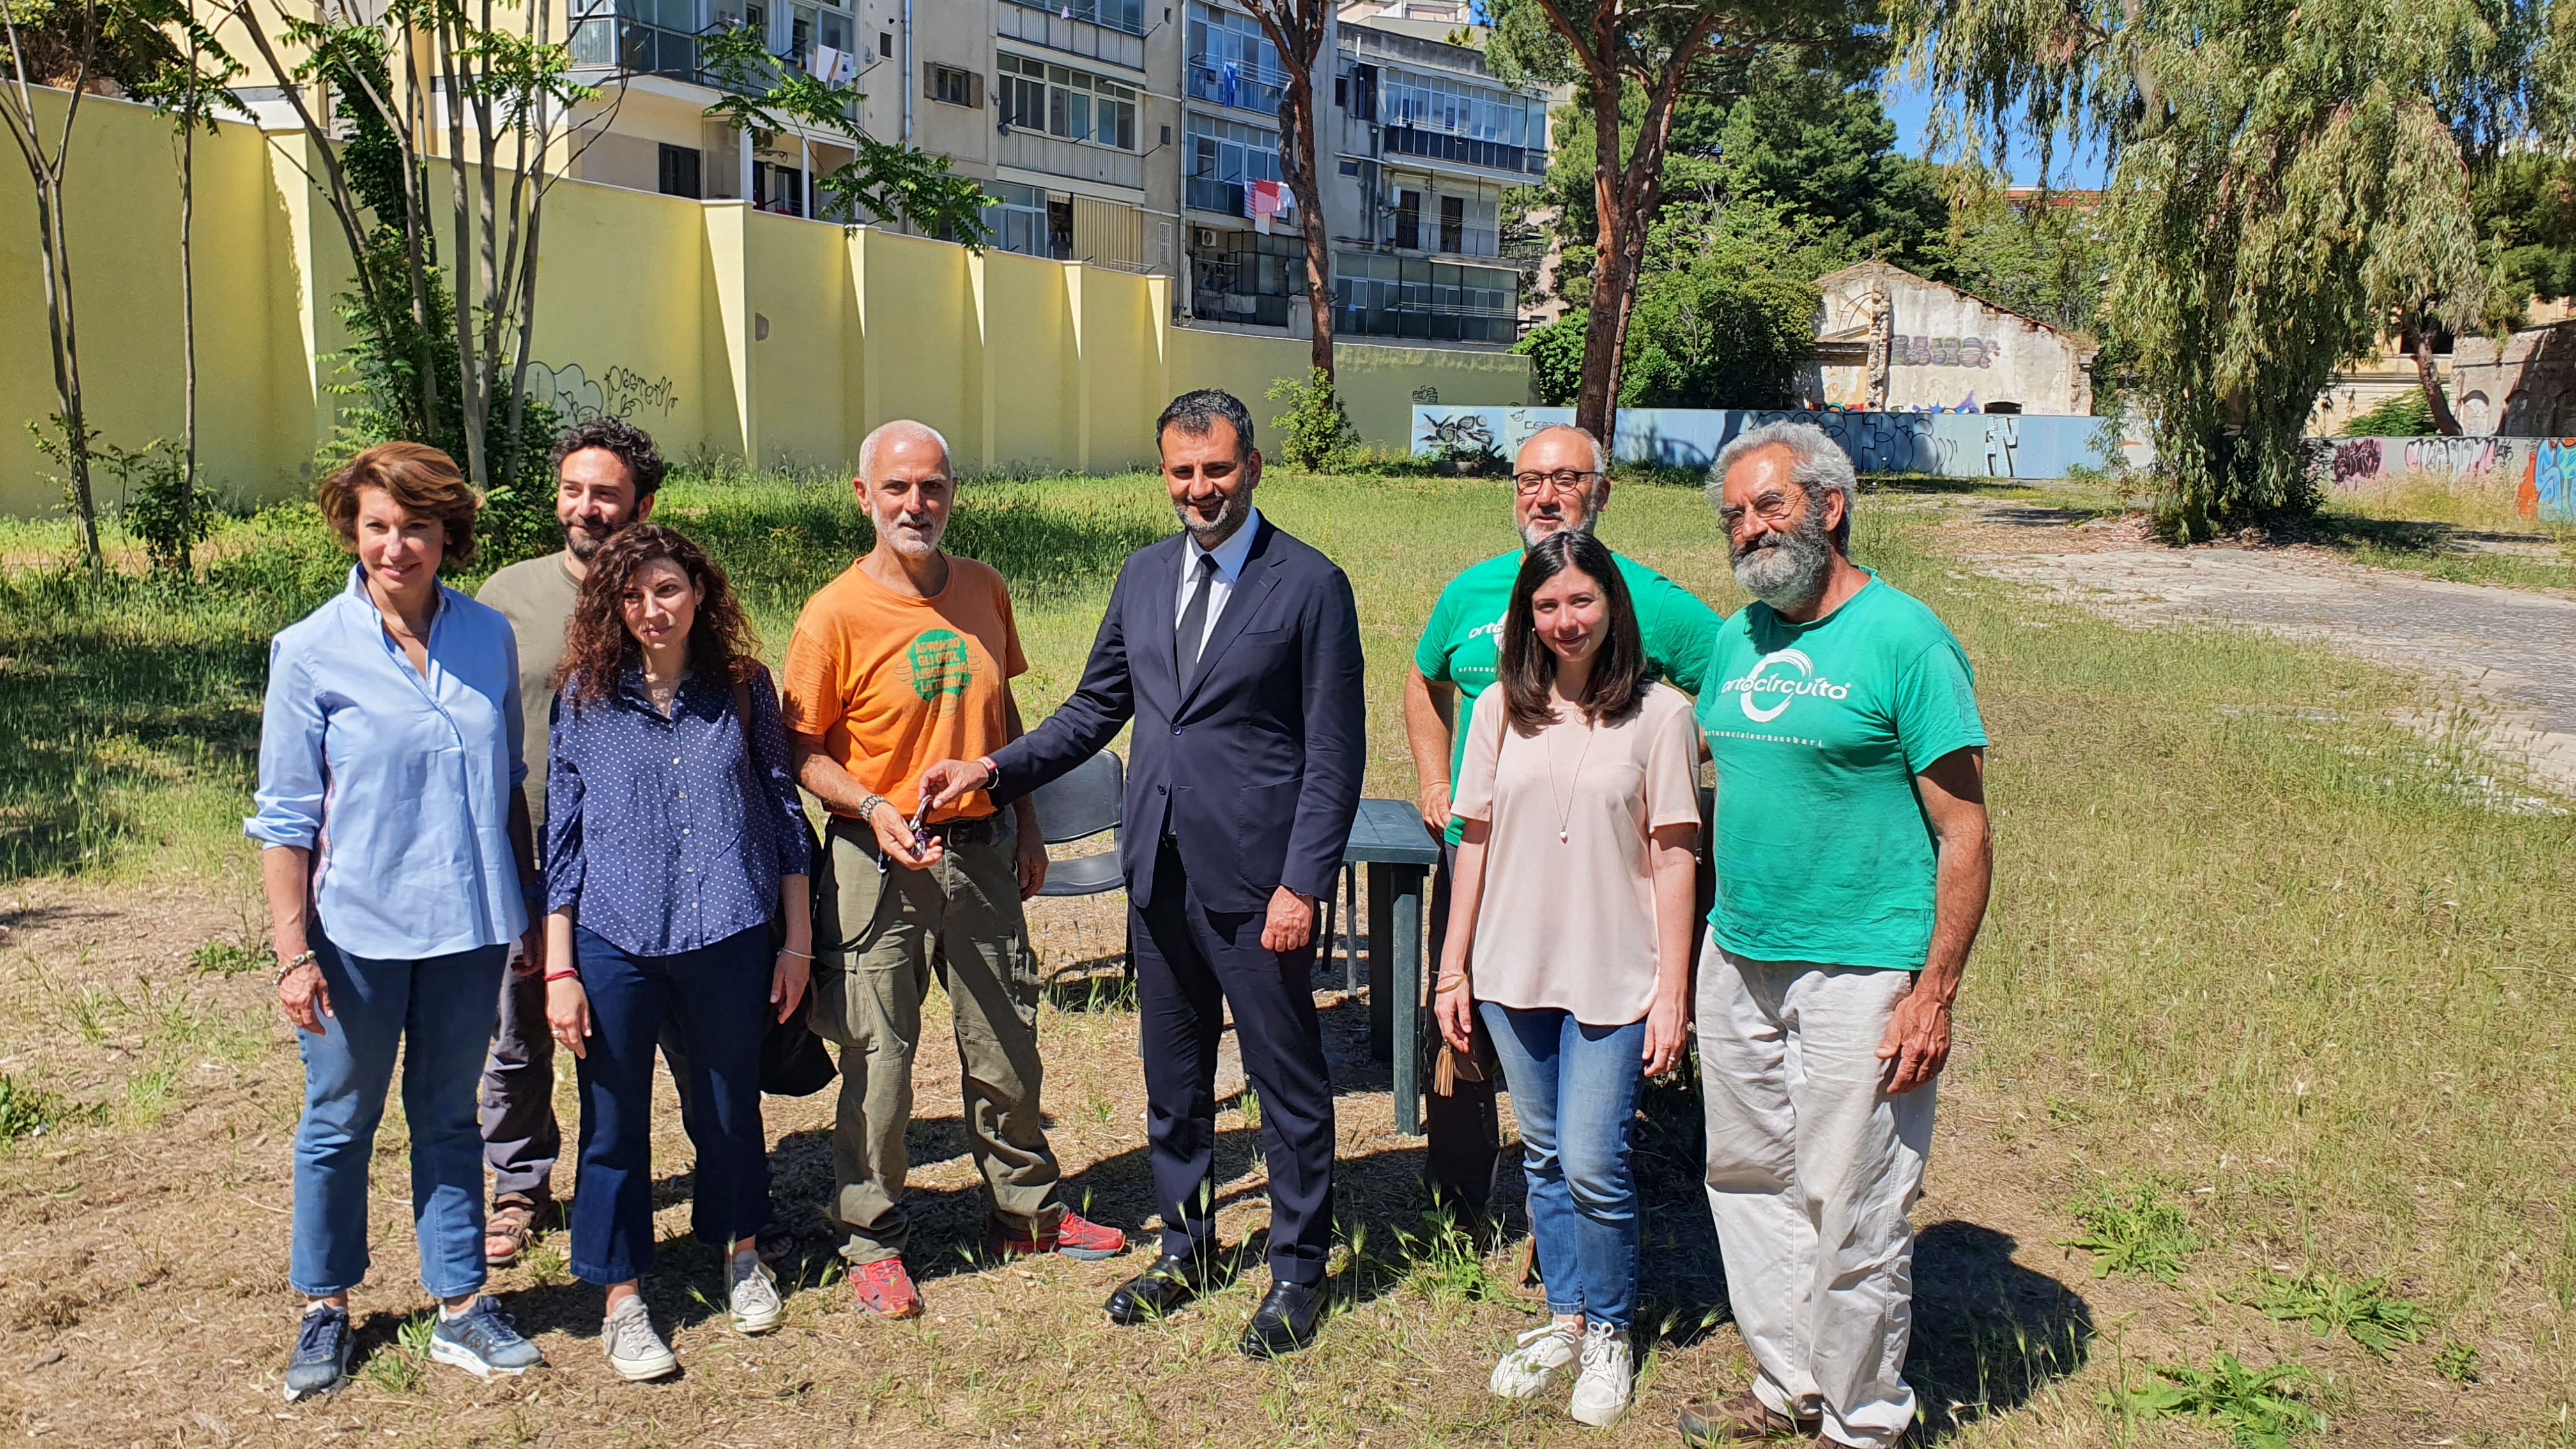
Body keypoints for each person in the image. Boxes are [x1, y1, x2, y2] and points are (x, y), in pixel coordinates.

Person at [919, 388, 1366, 1358]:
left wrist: (1302, 885)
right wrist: (992, 771)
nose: (1200, 488)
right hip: (1158, 871)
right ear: (1163, 473)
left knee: (1286, 1084)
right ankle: (1187, 1248)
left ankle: (1299, 1269)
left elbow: (1335, 757)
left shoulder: (1310, 585)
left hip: (1260, 887)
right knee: (1174, 1079)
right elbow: (1095, 708)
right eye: (1182, 471)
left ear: (1252, 468)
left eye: (1218, 469)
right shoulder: (1145, 574)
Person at [1675, 422, 1993, 1449]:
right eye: (1734, 515)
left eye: (1768, 505)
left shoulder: (1906, 640)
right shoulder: (1738, 639)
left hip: (1863, 966)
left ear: (1829, 506)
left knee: (1853, 1199)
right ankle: (1788, 1383)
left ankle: (1861, 1421)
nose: (1749, 529)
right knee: (1749, 1178)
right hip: (1738, 954)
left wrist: (1933, 994)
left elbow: (1965, 831)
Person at [781, 419, 1127, 1321]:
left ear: (953, 494)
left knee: (1007, 1039)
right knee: (879, 1058)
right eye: (897, 487)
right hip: (875, 860)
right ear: (864, 496)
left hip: (980, 851)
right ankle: (871, 1238)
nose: (916, 504)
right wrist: (874, 807)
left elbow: (1003, 712)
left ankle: (1027, 1213)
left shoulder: (984, 587)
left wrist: (1027, 822)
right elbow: (801, 751)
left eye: (932, 486)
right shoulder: (832, 613)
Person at [249, 443, 548, 1400]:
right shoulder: (309, 650)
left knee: (449, 1118)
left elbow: (508, 782)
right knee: (339, 1121)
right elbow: (286, 818)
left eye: (416, 526)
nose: (396, 546)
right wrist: (293, 955)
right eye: (376, 525)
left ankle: (461, 1306)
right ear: (352, 531)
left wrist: (524, 908)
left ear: (447, 533)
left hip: (471, 927)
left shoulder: (488, 635)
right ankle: (325, 1306)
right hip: (354, 936)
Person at [1404, 424, 1721, 1218]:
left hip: (1597, 874)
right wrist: (1436, 780)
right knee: (1463, 1030)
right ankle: (1463, 1211)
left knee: (1586, 1095)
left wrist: (1661, 760)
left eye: (1566, 480)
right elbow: (1423, 678)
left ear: (1601, 493)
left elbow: (1730, 687)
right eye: (1529, 481)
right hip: (1482, 853)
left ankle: (1578, 1219)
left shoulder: (1642, 596)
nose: (1545, 497)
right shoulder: (1471, 590)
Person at [1432, 530, 1699, 1427]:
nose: (1565, 620)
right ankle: (1566, 1316)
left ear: (1613, 606)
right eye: (1547, 606)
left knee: (1594, 1160)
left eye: (1582, 601)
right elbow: (1472, 840)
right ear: (1526, 617)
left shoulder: (1661, 717)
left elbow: (1674, 856)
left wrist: (1674, 992)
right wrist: (1453, 969)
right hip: (1512, 970)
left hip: (1616, 973)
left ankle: (1612, 1330)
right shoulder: (1496, 712)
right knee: (1544, 1156)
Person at [539, 524, 813, 1381]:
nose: (651, 609)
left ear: (699, 593)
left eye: (667, 589)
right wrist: (559, 968)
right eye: (632, 595)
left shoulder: (743, 687)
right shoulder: (583, 696)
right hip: (613, 939)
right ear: (610, 606)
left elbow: (783, 812)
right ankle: (622, 1298)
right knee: (613, 1122)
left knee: (730, 1108)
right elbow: (564, 840)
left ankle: (741, 1252)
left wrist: (797, 943)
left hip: (729, 930)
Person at [472, 418, 664, 1269]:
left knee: (650, 1029)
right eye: (574, 490)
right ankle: (518, 1185)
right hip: (526, 844)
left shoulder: (663, 591)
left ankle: (674, 1182)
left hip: (636, 854)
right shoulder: (506, 597)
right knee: (518, 1028)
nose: (586, 508)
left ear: (642, 505)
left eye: (607, 494)